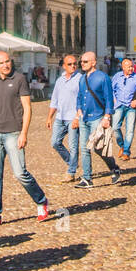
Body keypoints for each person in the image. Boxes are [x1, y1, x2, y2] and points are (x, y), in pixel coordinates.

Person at [0, 51, 49, 225]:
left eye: (8, 61)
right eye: (1, 63)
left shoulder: (19, 79)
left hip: (13, 133)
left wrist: (24, 132)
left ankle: (41, 200)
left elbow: (27, 107)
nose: (5, 65)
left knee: (20, 173)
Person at [71, 51, 118, 187]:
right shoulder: (82, 78)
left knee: (98, 148)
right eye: (81, 61)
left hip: (98, 117)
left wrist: (107, 117)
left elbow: (109, 99)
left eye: (85, 61)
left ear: (93, 62)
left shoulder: (103, 78)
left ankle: (114, 167)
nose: (82, 64)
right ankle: (87, 178)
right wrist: (78, 109)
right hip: (84, 117)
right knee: (85, 148)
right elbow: (79, 96)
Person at [48, 54, 82, 182]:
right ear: (64, 66)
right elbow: (55, 99)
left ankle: (71, 171)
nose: (73, 66)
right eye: (70, 64)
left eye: (74, 64)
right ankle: (71, 162)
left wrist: (78, 117)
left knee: (73, 146)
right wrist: (49, 117)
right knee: (55, 142)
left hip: (73, 117)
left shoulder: (80, 79)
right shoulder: (59, 80)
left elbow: (83, 100)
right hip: (60, 117)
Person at [111, 57, 136, 161]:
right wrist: (114, 100)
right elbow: (111, 89)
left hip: (131, 108)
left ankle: (126, 151)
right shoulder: (117, 77)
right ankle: (122, 145)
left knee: (130, 130)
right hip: (118, 106)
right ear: (123, 67)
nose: (131, 69)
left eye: (132, 66)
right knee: (115, 127)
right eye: (129, 67)